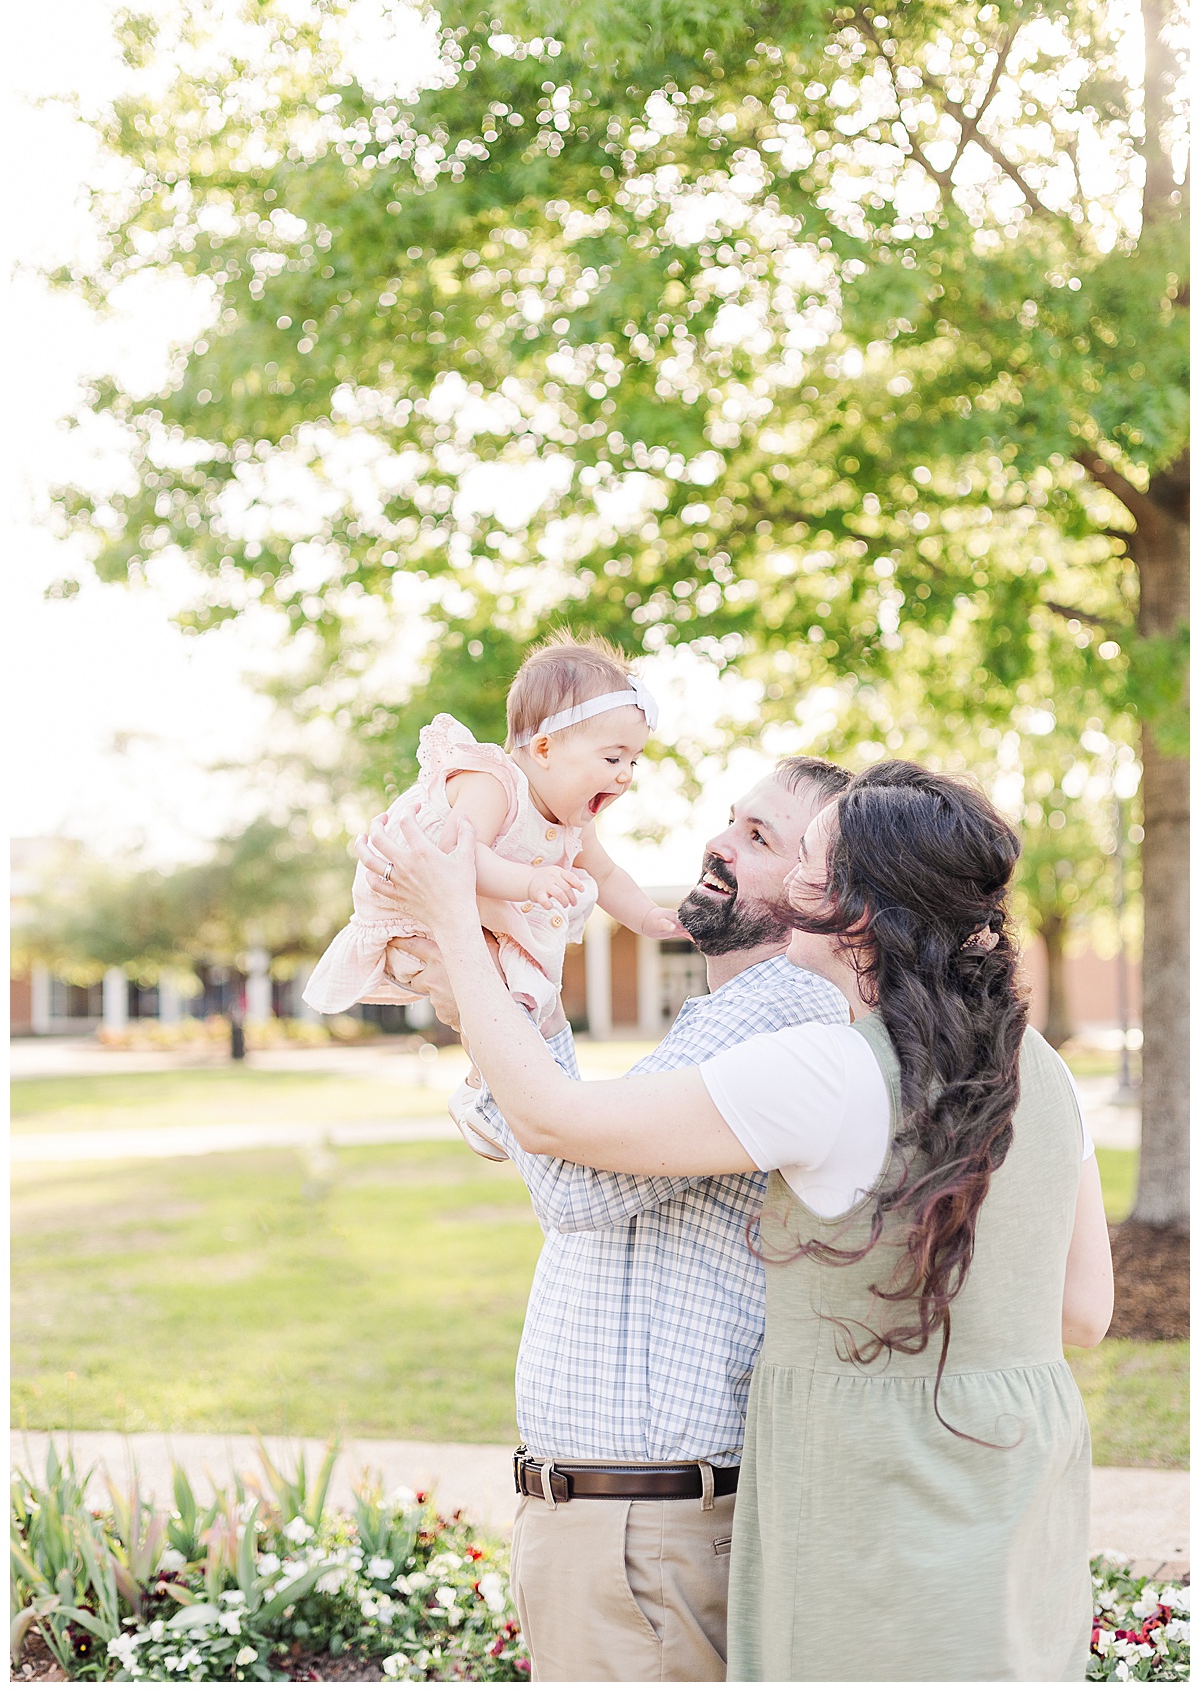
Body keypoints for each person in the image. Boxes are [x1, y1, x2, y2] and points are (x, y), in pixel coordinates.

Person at [363, 759, 1115, 1682]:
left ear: (854, 911)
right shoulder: (1040, 1067)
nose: (785, 881)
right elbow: (1083, 1313)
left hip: (866, 1515)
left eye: (803, 862)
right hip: (1009, 1511)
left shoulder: (827, 1067)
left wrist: (452, 917)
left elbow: (559, 1130)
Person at [357, 756, 852, 1681]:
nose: (718, 843)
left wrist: (459, 932)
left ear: (826, 890)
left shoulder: (781, 1008)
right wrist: (514, 1017)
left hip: (641, 1532)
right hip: (623, 1524)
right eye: (730, 820)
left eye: (759, 838)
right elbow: (566, 1145)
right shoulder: (730, 1013)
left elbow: (572, 1185)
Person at [304, 633, 687, 1154]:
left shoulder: (573, 819)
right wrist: (529, 882)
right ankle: (483, 1091)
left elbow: (606, 873)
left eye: (633, 762)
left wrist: (645, 917)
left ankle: (507, 1093)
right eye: (613, 758)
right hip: (411, 917)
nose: (624, 777)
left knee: (531, 998)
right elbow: (457, 859)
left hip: (475, 917)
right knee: (492, 989)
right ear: (545, 749)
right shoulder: (492, 783)